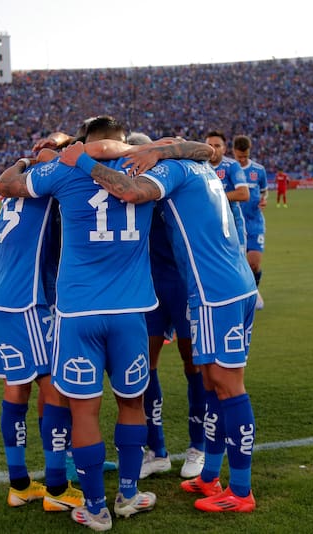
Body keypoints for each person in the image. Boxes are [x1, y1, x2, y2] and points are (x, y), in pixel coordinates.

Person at [61, 137, 259, 514]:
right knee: (212, 383)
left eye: (156, 146)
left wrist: (82, 161)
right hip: (223, 286)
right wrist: (170, 148)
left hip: (217, 290)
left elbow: (132, 192)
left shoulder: (174, 168)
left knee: (229, 386)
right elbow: (208, 150)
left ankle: (242, 490)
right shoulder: (200, 163)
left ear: (167, 147)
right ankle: (210, 476)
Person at [0, 116, 157, 531]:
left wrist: (46, 154)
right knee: (132, 404)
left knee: (84, 412)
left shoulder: (63, 170)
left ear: (85, 141)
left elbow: (7, 187)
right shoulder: (148, 169)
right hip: (130, 310)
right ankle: (129, 494)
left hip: (77, 312)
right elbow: (194, 150)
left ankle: (95, 507)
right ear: (125, 141)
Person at [0, 149, 84, 513]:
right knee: (54, 385)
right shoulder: (47, 193)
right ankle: (57, 487)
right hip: (27, 300)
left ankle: (20, 484)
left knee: (16, 388)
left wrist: (27, 161)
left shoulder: (14, 194)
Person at [121, 133, 207, 481]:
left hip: (183, 283)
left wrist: (164, 152)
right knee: (146, 365)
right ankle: (156, 450)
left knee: (194, 363)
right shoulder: (129, 180)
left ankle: (198, 447)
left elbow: (205, 153)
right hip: (149, 285)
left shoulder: (173, 172)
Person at [233, 135, 268, 311]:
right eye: (239, 156)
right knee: (238, 264)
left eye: (245, 156)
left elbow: (264, 192)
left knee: (253, 263)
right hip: (233, 224)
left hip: (254, 223)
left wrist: (264, 200)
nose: (242, 159)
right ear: (234, 152)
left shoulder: (258, 170)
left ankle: (254, 292)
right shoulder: (229, 169)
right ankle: (247, 295)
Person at [205, 130, 249, 253]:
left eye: (217, 146)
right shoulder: (199, 167)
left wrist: (214, 197)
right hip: (209, 229)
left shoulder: (232, 166)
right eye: (209, 146)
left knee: (238, 268)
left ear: (224, 149)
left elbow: (243, 194)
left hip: (233, 227)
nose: (213, 149)